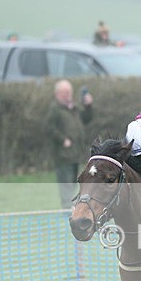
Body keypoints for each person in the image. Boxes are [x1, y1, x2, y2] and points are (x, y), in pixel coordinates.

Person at [46, 79, 95, 209]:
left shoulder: (74, 107)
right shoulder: (55, 109)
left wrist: (88, 105)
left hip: (75, 153)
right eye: (65, 92)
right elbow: (49, 128)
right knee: (65, 182)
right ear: (58, 94)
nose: (69, 94)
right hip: (63, 154)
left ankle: (71, 206)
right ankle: (66, 208)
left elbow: (87, 118)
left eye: (70, 91)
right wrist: (63, 140)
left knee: (73, 181)